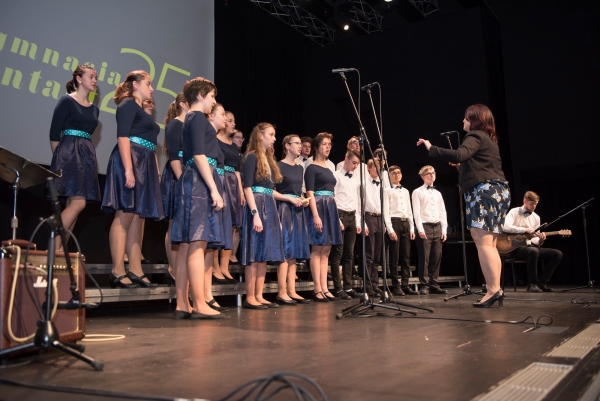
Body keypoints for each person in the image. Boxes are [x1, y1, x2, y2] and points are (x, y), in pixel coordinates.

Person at [418, 103, 511, 307]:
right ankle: (495, 288)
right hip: (498, 191)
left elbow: (460, 154)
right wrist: (463, 165)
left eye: (466, 118)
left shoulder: (474, 136)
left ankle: (493, 290)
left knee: (484, 243)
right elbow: (476, 162)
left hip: (483, 192)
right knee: (491, 244)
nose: (463, 121)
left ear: (474, 120)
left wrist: (430, 147)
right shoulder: (490, 140)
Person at [170, 77, 229, 320]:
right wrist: (214, 188)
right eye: (212, 96)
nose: (214, 101)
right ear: (201, 95)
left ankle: (183, 304)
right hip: (198, 182)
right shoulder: (195, 118)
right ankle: (199, 302)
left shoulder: (194, 119)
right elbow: (198, 155)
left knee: (187, 247)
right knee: (196, 243)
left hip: (195, 180)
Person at [102, 70, 163, 289]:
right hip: (131, 160)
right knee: (125, 213)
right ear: (136, 85)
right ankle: (117, 270)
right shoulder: (127, 104)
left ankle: (136, 269)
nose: (152, 88)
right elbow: (123, 137)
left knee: (139, 216)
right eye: (148, 83)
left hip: (144, 162)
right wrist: (128, 169)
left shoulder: (140, 108)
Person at [49, 65, 100, 251]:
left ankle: (60, 251)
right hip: (69, 153)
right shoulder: (66, 101)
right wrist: (60, 158)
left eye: (96, 77)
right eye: (91, 76)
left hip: (86, 154)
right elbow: (54, 134)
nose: (95, 80)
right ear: (79, 79)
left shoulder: (95, 110)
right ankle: (52, 249)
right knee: (79, 203)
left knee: (74, 205)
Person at [240, 122, 285, 309]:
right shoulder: (251, 158)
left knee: (264, 253)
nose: (274, 138)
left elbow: (270, 190)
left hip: (269, 206)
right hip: (257, 206)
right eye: (271, 134)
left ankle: (259, 294)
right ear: (260, 135)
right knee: (254, 252)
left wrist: (276, 217)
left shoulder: (269, 159)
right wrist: (255, 214)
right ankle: (250, 296)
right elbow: (248, 187)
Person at [304, 132, 343, 302]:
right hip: (319, 207)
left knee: (326, 251)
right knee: (317, 249)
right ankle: (317, 288)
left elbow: (333, 193)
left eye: (330, 144)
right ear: (317, 147)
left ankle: (325, 288)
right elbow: (309, 192)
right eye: (325, 144)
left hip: (330, 208)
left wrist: (337, 218)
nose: (328, 147)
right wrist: (315, 215)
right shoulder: (311, 167)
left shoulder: (329, 167)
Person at [274, 134, 311, 305]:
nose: (300, 146)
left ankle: (291, 290)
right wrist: (288, 199)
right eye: (296, 143)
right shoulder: (278, 165)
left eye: (300, 143)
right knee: (285, 250)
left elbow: (299, 191)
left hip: (297, 210)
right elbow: (271, 191)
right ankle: (281, 292)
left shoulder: (299, 168)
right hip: (283, 208)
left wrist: (304, 200)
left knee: (294, 252)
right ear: (287, 146)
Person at [502, 191, 562, 292]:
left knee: (557, 254)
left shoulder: (536, 217)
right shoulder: (514, 211)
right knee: (533, 251)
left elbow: (534, 239)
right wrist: (524, 230)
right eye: (531, 204)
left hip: (530, 247)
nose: (534, 206)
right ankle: (532, 283)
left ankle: (542, 282)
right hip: (514, 247)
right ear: (524, 201)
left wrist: (541, 240)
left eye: (536, 204)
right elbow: (505, 227)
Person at [161, 93, 188, 287]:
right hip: (176, 174)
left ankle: (180, 267)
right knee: (173, 224)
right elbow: (173, 155)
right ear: (182, 104)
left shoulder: (189, 125)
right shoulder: (175, 124)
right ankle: (172, 268)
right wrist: (181, 180)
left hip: (188, 171)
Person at [411, 166, 448, 295]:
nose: (431, 175)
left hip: (437, 226)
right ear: (422, 176)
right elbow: (416, 212)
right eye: (428, 173)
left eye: (433, 173)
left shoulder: (438, 193)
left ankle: (434, 283)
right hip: (425, 226)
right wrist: (420, 229)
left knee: (436, 257)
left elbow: (442, 212)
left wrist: (444, 229)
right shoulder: (417, 192)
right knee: (424, 257)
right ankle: (425, 284)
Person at [330, 149, 362, 300]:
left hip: (352, 215)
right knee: (338, 253)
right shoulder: (335, 176)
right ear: (346, 159)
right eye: (354, 162)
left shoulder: (355, 179)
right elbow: (332, 198)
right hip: (340, 215)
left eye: (357, 163)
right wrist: (337, 219)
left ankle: (348, 287)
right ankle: (338, 287)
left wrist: (358, 219)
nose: (356, 166)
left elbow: (356, 200)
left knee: (349, 254)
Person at [215, 110, 243, 282]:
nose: (233, 124)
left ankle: (225, 268)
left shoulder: (233, 145)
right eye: (230, 120)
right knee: (219, 225)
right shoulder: (215, 141)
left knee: (232, 226)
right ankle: (214, 267)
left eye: (234, 121)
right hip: (221, 180)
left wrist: (240, 190)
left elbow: (237, 170)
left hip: (233, 183)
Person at [384, 165, 418, 296]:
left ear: (401, 175)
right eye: (393, 173)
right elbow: (386, 211)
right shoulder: (387, 190)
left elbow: (409, 210)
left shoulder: (405, 191)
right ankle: (395, 285)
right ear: (390, 175)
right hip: (394, 221)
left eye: (398, 173)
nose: (396, 175)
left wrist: (412, 227)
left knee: (406, 256)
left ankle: (405, 284)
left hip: (405, 223)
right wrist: (390, 229)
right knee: (394, 256)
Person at [363, 159, 387, 297]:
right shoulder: (364, 184)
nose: (378, 169)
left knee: (377, 255)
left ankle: (375, 284)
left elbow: (383, 205)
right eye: (376, 166)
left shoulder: (382, 184)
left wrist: (383, 222)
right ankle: (368, 286)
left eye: (380, 167)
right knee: (369, 254)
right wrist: (364, 223)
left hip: (379, 218)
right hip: (369, 217)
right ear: (369, 168)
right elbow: (361, 205)